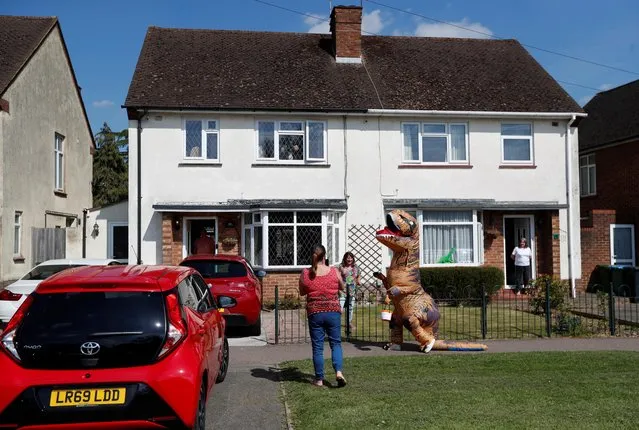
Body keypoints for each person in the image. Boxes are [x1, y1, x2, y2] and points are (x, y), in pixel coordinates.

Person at [299, 244, 347, 388]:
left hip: (315, 313)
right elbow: (342, 287)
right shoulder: (333, 271)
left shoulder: (305, 273)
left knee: (318, 347)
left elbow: (302, 292)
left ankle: (319, 379)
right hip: (333, 311)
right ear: (324, 256)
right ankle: (338, 372)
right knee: (336, 344)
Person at [338, 252, 360, 331]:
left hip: (352, 290)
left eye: (351, 258)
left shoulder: (356, 267)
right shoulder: (341, 266)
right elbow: (338, 277)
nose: (349, 259)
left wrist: (358, 281)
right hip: (343, 290)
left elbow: (358, 275)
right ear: (345, 258)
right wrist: (339, 288)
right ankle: (336, 322)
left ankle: (349, 322)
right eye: (347, 257)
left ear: (353, 259)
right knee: (340, 307)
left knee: (350, 307)